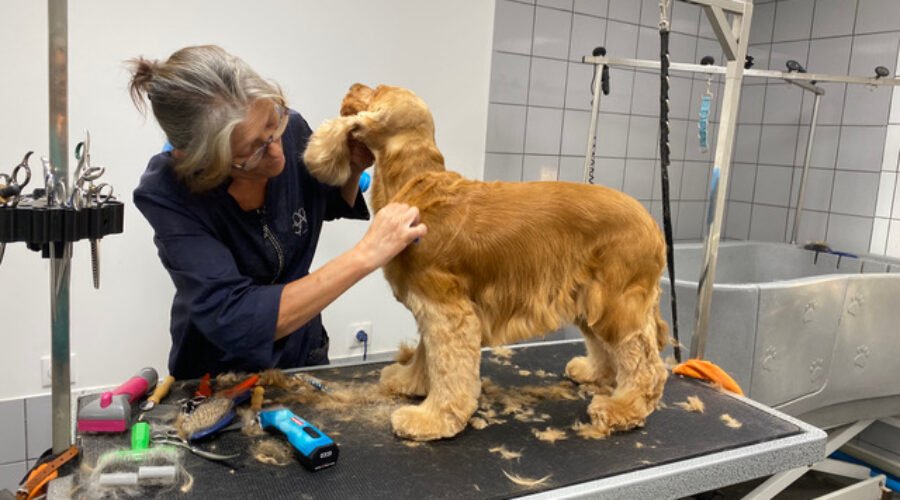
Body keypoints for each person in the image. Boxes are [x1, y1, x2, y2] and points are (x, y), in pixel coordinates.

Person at [128, 45, 426, 379]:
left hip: (304, 352)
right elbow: (235, 315)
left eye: (274, 123)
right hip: (219, 372)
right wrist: (366, 254)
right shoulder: (167, 194)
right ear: (202, 160)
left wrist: (352, 169)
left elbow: (322, 199)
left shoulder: (292, 129)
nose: (276, 152)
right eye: (254, 149)